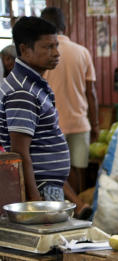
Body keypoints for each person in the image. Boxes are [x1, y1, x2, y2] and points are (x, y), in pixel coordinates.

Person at [0, 17, 72, 202]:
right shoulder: (22, 91)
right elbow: (20, 151)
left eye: (56, 45)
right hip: (39, 190)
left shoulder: (33, 84)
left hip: (45, 186)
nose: (56, 53)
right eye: (48, 47)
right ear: (24, 49)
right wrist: (34, 200)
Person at [40, 7, 98, 194]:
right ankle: (79, 213)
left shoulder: (42, 55)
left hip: (52, 124)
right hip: (80, 122)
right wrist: (95, 123)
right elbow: (91, 93)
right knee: (78, 171)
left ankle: (69, 210)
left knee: (57, 172)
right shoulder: (82, 52)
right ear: (66, 26)